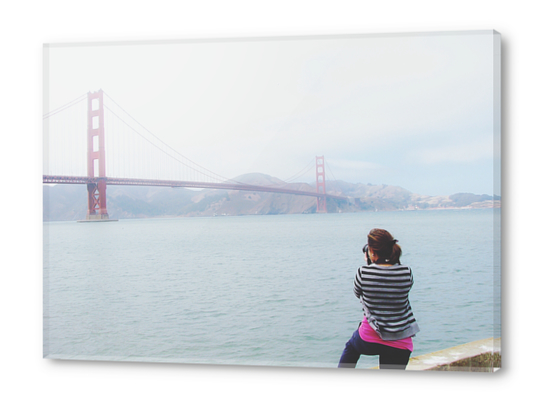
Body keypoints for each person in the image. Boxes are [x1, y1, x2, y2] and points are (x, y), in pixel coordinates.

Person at [338, 228, 420, 369]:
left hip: (370, 337)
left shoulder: (363, 272)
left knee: (351, 347)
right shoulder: (406, 272)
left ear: (371, 252)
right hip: (401, 341)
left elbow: (358, 293)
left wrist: (370, 265)